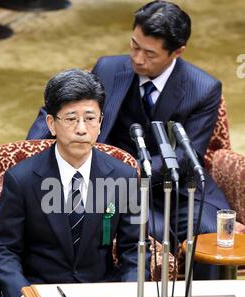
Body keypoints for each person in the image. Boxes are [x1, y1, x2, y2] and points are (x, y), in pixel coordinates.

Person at [26, 1, 230, 279]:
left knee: (207, 232)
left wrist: (131, 169)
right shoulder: (108, 68)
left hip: (178, 190)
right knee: (136, 227)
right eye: (134, 45)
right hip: (115, 191)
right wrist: (31, 153)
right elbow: (57, 107)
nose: (137, 58)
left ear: (177, 52)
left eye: (149, 53)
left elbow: (185, 155)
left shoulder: (203, 88)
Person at [0, 69, 148, 297]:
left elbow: (135, 247)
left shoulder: (123, 176)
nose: (81, 128)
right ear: (51, 124)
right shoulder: (23, 179)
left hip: (98, 290)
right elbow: (3, 247)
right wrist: (20, 292)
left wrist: (128, 293)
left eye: (90, 118)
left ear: (101, 122)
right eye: (71, 118)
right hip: (39, 294)